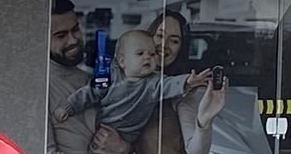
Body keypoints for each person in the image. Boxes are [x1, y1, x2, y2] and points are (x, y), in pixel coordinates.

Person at [128, 9, 229, 154]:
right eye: (160, 35)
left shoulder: (186, 90)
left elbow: (197, 153)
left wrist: (204, 121)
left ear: (181, 49)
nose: (164, 45)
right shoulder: (130, 84)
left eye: (174, 41)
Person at [45, 0, 131, 154]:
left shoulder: (89, 79)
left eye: (75, 29)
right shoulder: (41, 86)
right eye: (61, 35)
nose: (73, 40)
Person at [55, 28, 214, 138]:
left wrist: (188, 81)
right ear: (122, 61)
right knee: (97, 153)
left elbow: (170, 84)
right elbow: (88, 93)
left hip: (130, 136)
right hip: (103, 129)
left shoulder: (153, 82)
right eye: (140, 53)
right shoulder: (111, 77)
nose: (148, 57)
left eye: (152, 54)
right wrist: (69, 107)